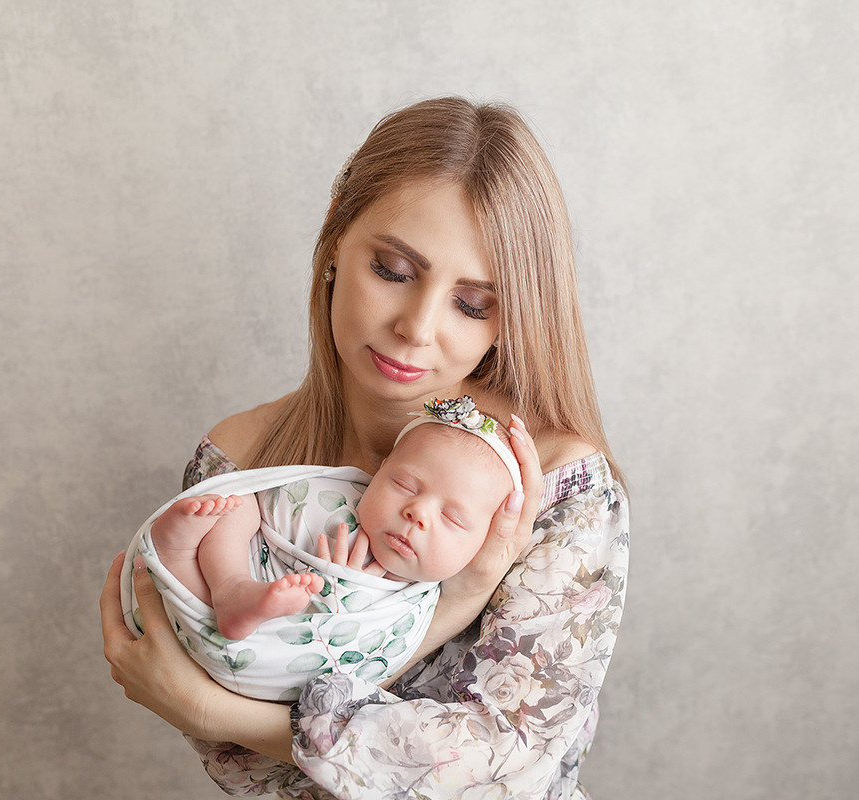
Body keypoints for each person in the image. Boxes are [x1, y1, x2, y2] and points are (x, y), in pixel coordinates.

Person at [100, 96, 630, 799]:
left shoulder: (556, 487)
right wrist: (229, 716)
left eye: (472, 305)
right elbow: (243, 764)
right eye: (394, 270)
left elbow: (499, 757)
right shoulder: (240, 464)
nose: (416, 327)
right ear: (335, 229)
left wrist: (209, 708)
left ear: (511, 319)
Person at [122, 397, 521, 701]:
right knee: (240, 499)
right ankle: (217, 579)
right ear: (378, 471)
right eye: (405, 485)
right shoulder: (338, 495)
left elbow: (361, 664)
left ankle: (190, 566)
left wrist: (342, 591)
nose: (417, 512)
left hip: (259, 661)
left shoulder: (414, 602)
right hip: (222, 590)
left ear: (482, 544)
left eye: (452, 518)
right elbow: (274, 499)